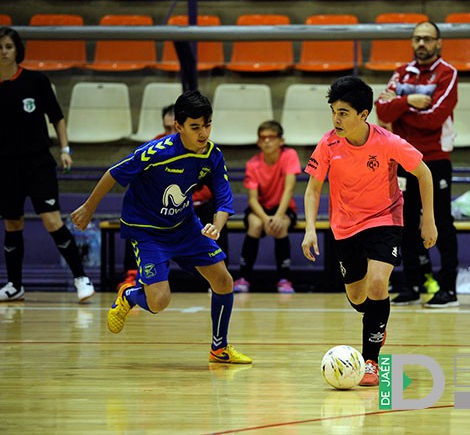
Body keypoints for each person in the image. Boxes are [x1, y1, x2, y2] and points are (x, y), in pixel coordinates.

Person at [71, 90, 251, 364]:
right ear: (178, 127)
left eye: (207, 125)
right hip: (147, 231)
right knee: (159, 301)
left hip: (185, 226)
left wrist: (216, 226)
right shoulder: (156, 153)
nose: (203, 133)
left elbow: (224, 197)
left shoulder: (212, 155)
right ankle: (130, 295)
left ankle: (219, 348)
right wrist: (88, 207)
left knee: (223, 280)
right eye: (195, 127)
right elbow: (113, 174)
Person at [302, 76, 437, 386]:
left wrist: (427, 220)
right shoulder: (327, 144)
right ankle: (377, 318)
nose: (337, 119)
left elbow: (424, 173)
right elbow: (312, 190)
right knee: (357, 296)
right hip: (345, 226)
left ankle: (371, 361)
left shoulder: (387, 142)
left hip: (384, 219)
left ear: (364, 115)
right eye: (334, 111)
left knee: (378, 285)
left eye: (344, 112)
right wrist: (311, 229)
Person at [0, 26, 95, 303]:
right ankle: (15, 285)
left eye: (8, 46)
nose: (3, 52)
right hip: (5, 166)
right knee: (12, 223)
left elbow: (57, 116)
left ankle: (81, 277)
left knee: (51, 219)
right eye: (0, 47)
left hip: (37, 162)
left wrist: (65, 148)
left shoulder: (36, 81)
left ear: (17, 49)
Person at [375, 21, 460, 308]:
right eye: (417, 39)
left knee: (441, 223)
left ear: (439, 43)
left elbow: (433, 119)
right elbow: (381, 109)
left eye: (427, 39)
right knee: (404, 223)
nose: (421, 43)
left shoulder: (447, 73)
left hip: (435, 159)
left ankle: (448, 289)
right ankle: (411, 285)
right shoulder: (401, 73)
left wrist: (398, 106)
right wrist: (409, 99)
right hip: (401, 159)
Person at [116, 104, 229, 290]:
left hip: (191, 206)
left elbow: (214, 189)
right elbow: (136, 181)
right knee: (136, 217)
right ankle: (132, 274)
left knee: (216, 214)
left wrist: (187, 199)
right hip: (158, 210)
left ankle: (217, 273)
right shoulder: (156, 148)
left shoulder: (204, 149)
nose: (170, 132)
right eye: (167, 128)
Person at [232, 120, 301, 294]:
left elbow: (289, 189)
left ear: (281, 141)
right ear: (258, 142)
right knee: (255, 225)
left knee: (281, 226)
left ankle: (284, 279)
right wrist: (265, 218)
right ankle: (243, 278)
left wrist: (278, 216)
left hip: (283, 209)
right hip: (261, 209)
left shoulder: (289, 155)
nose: (267, 141)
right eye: (263, 138)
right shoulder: (253, 164)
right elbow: (252, 200)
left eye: (271, 137)